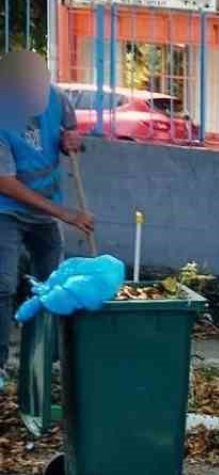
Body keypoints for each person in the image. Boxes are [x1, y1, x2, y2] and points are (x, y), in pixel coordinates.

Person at [0, 50, 92, 390]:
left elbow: (71, 135)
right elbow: (6, 182)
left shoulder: (57, 98)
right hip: (5, 209)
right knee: (3, 285)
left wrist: (73, 142)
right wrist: (66, 214)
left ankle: (48, 356)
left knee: (54, 284)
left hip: (48, 207)